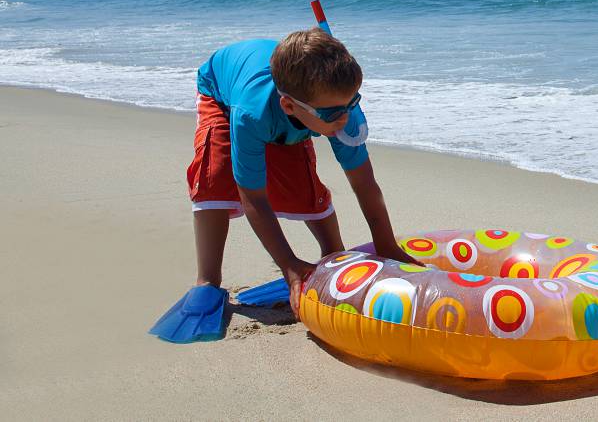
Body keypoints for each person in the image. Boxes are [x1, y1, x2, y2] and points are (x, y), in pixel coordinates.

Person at [149, 28, 420, 343]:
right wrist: (288, 265)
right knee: (215, 180)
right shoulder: (250, 116)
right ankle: (207, 280)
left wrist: (385, 244)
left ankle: (333, 252)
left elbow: (364, 183)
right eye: (336, 113)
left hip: (291, 104)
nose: (346, 118)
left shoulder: (339, 107)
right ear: (291, 107)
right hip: (222, 93)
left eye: (354, 102)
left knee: (302, 186)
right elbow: (253, 197)